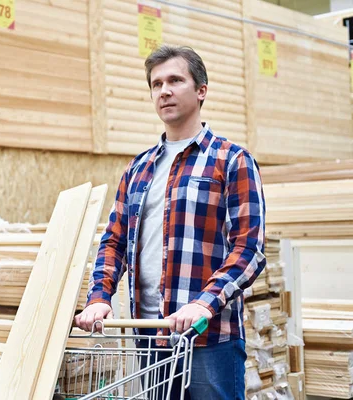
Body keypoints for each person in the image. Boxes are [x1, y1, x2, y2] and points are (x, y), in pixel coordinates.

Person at [74, 45, 266, 399]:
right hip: (151, 335)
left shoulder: (232, 160)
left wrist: (201, 304)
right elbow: (114, 242)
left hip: (210, 339)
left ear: (201, 90)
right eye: (156, 83)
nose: (164, 90)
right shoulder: (139, 168)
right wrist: (100, 297)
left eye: (175, 80)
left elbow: (249, 250)